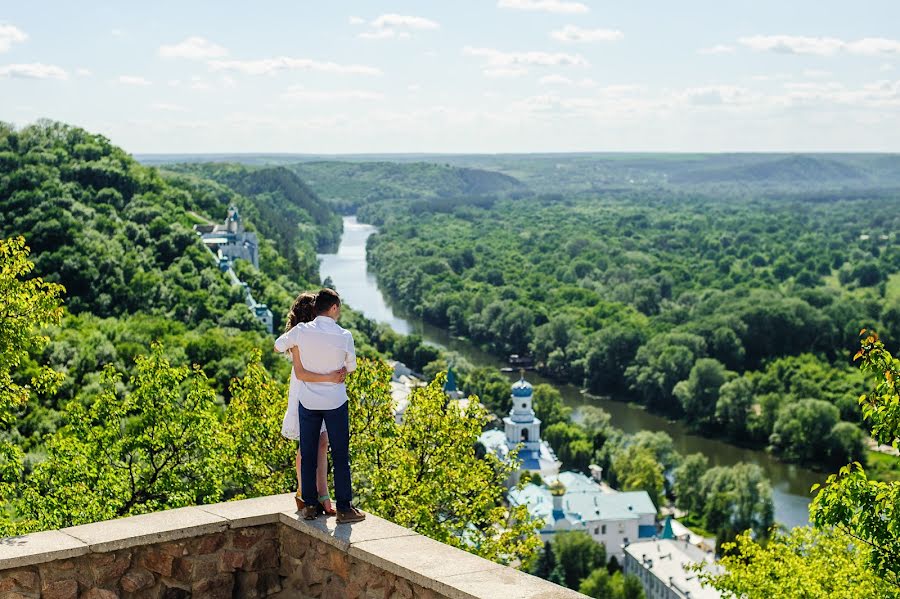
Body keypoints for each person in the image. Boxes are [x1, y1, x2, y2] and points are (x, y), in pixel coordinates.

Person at [275, 288, 365, 523]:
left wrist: (295, 348)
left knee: (308, 452)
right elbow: (352, 367)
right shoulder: (344, 335)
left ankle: (310, 506)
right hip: (335, 402)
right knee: (340, 454)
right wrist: (341, 370)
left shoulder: (302, 331)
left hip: (309, 401)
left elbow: (277, 345)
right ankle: (345, 508)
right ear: (334, 308)